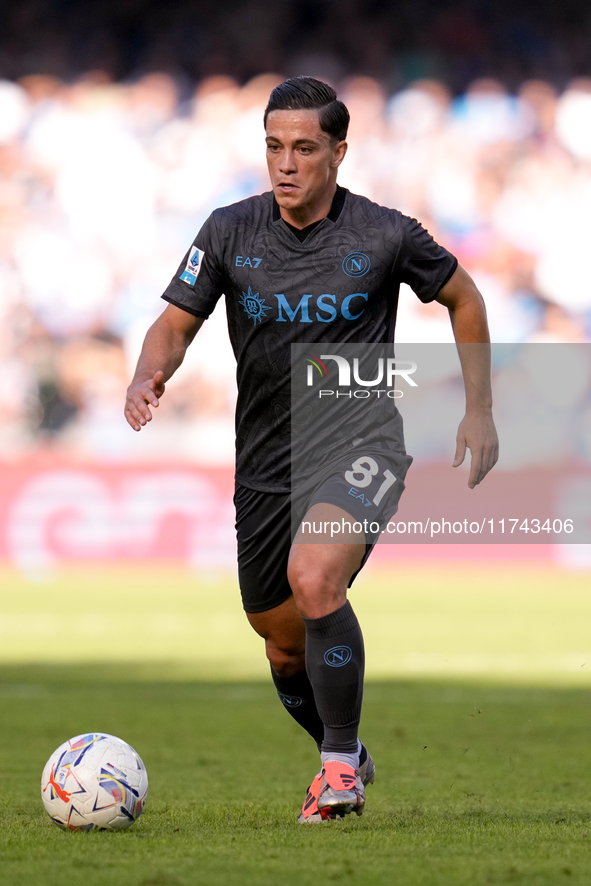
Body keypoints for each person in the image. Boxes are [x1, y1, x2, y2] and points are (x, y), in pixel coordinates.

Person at [124, 77, 498, 823]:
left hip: (361, 442)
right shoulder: (228, 231)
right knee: (281, 644)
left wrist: (479, 409)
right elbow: (174, 323)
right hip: (265, 461)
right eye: (272, 147)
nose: (284, 164)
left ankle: (335, 772)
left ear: (337, 152)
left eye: (302, 148)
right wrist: (147, 371)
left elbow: (465, 297)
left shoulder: (385, 233)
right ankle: (344, 746)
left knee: (315, 577)